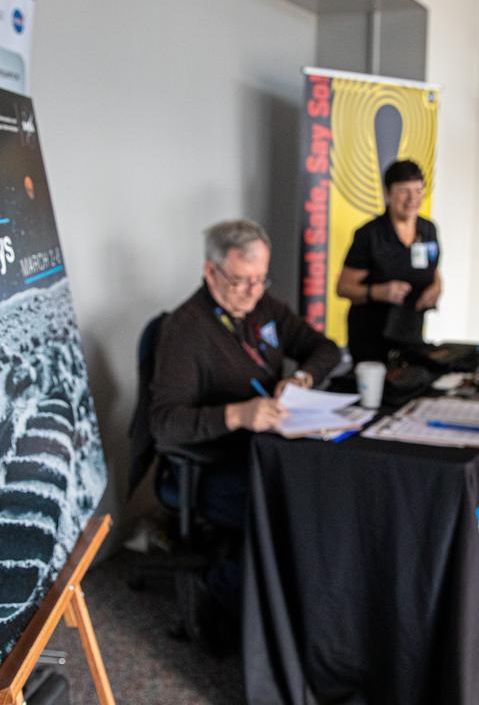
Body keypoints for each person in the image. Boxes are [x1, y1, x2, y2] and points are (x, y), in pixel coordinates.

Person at [149, 218, 340, 650]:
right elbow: (164, 424)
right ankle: (223, 590)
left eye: (259, 280)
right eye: (240, 282)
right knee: (292, 513)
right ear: (210, 271)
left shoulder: (263, 308)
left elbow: (325, 349)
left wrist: (304, 378)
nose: (252, 293)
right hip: (211, 466)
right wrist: (236, 415)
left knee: (327, 494)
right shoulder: (185, 330)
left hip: (268, 452)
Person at [335, 159, 442, 363]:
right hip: (370, 337)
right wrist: (379, 292)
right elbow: (343, 288)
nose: (412, 199)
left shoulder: (428, 230)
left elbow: (433, 269)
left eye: (418, 190)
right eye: (404, 191)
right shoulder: (370, 235)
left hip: (410, 331)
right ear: (388, 192)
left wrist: (437, 287)